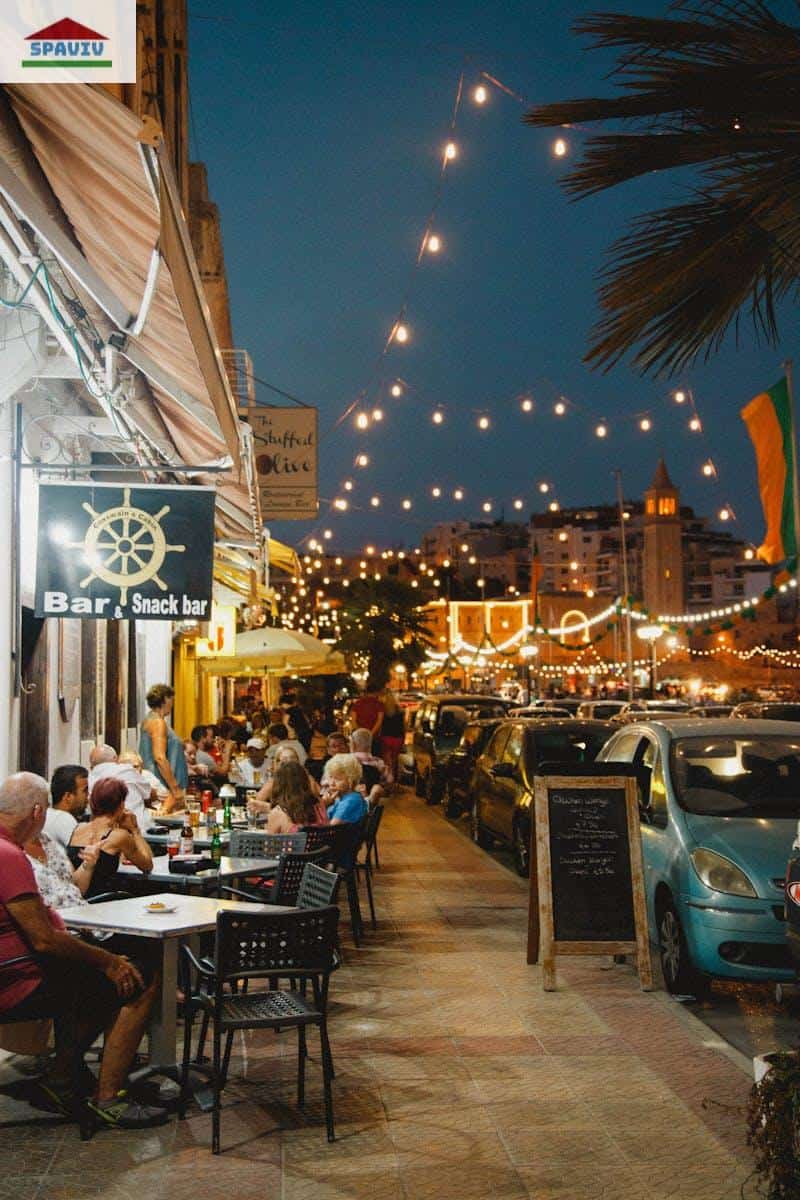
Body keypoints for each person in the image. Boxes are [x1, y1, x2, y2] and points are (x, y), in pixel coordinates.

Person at [0, 773, 166, 1128]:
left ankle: (62, 1076)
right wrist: (109, 962)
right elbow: (44, 938)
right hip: (17, 981)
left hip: (18, 968)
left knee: (99, 976)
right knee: (138, 976)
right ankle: (108, 1097)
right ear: (36, 811)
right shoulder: (8, 856)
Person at [68, 778, 153, 900]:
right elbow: (147, 865)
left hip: (76, 896)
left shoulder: (78, 828)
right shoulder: (119, 836)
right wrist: (135, 830)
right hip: (102, 902)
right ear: (121, 805)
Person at [139, 684, 187, 812]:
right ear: (165, 699)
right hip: (163, 784)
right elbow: (159, 757)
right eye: (171, 699)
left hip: (164, 783)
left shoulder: (151, 719)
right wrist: (175, 788)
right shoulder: (157, 722)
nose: (173, 703)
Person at [87, 745, 153, 830]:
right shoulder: (127, 770)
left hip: (102, 832)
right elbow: (148, 793)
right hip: (138, 829)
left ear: (91, 765)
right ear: (115, 758)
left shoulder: (88, 778)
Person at [265, 762, 327, 834]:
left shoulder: (278, 813)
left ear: (278, 784)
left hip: (292, 845)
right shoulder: (319, 805)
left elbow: (269, 844)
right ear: (305, 781)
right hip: (319, 844)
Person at [44, 765, 88, 849]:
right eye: (85, 791)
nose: (88, 796)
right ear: (68, 796)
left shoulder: (48, 815)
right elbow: (84, 853)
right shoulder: (63, 818)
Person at [322, 754, 369, 826]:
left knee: (300, 835)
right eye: (330, 777)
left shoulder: (351, 800)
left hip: (341, 837)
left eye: (337, 779)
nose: (332, 783)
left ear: (351, 780)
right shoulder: (341, 798)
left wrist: (323, 806)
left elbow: (330, 828)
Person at [350, 728, 390, 804]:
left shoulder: (349, 760)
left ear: (353, 744)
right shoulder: (378, 761)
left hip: (352, 796)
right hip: (372, 796)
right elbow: (388, 781)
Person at [378, 688, 405, 785]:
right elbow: (403, 727)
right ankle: (393, 779)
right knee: (394, 760)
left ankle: (389, 779)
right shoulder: (400, 711)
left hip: (386, 737)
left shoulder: (382, 711)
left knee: (387, 761)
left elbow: (380, 725)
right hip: (398, 738)